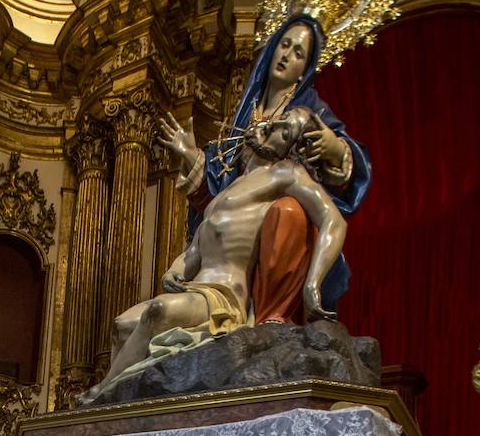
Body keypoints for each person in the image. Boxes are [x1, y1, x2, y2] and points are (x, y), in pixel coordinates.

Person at [82, 107, 346, 401]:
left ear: (290, 148)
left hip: (223, 298)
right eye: (278, 121)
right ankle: (118, 402)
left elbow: (333, 221)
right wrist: (175, 269)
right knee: (121, 326)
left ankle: (102, 394)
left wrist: (313, 284)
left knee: (158, 311)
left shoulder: (285, 173)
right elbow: (195, 246)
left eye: (286, 131)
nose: (274, 127)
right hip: (196, 287)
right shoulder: (231, 187)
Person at [160, 13, 371, 319]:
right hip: (238, 223)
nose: (287, 55)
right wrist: (191, 156)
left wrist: (335, 148)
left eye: (298, 53)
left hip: (277, 218)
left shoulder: (307, 110)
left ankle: (274, 315)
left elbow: (339, 185)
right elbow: (223, 189)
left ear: (304, 70)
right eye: (284, 45)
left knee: (287, 212)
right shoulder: (248, 111)